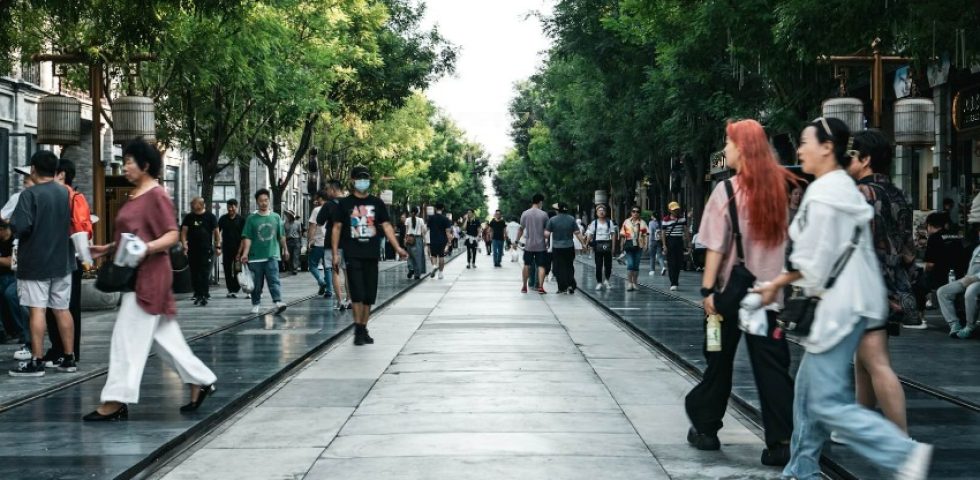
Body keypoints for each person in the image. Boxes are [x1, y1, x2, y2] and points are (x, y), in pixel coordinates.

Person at [755, 117, 932, 480]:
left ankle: (900, 452)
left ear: (826, 146)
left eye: (805, 142)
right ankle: (801, 468)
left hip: (841, 308)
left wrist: (778, 283)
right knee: (807, 393)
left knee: (823, 401)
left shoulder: (826, 193)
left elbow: (815, 261)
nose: (800, 149)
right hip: (854, 303)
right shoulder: (838, 187)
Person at [686, 119, 795, 466]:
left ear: (743, 149)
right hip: (767, 299)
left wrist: (707, 290)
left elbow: (715, 248)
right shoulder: (785, 189)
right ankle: (781, 441)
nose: (725, 150)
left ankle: (705, 428)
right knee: (772, 369)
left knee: (717, 360)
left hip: (726, 300)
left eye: (729, 144)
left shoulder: (726, 191)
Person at [83, 139, 216, 421]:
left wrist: (146, 248)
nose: (126, 165)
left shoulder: (156, 195)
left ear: (145, 165)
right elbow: (132, 235)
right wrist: (106, 248)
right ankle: (200, 380)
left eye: (130, 161)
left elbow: (169, 235)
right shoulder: (137, 194)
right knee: (165, 339)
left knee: (126, 339)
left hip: (149, 277)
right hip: (138, 274)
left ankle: (116, 400)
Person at [847, 128, 913, 432]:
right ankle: (861, 427)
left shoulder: (861, 193)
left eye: (852, 154)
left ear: (866, 159)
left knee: (876, 362)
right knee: (864, 361)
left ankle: (900, 440)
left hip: (866, 286)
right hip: (891, 282)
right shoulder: (897, 194)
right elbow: (907, 247)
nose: (846, 160)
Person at [8, 150, 76, 377]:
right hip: (62, 260)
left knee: (37, 309)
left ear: (33, 169)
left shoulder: (30, 195)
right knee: (61, 309)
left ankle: (36, 361)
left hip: (36, 262)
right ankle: (68, 358)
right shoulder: (65, 193)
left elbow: (21, 226)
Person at [329, 165, 407, 346]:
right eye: (359, 178)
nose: (363, 182)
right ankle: (358, 329)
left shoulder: (377, 203)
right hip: (352, 253)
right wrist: (335, 253)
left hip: (372, 254)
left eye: (366, 178)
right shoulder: (344, 204)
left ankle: (363, 327)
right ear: (352, 180)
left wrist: (398, 248)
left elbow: (387, 226)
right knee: (357, 293)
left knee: (369, 295)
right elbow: (337, 228)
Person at [42, 159, 91, 367]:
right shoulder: (54, 196)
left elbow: (82, 229)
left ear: (61, 174)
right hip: (52, 256)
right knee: (52, 306)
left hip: (70, 256)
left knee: (68, 307)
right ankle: (56, 349)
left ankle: (70, 351)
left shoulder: (74, 197)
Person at [240, 189, 289, 315]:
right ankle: (256, 303)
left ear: (269, 201)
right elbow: (247, 237)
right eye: (261, 201)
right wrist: (245, 253)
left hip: (272, 255)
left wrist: (285, 249)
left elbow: (281, 236)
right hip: (255, 257)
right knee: (257, 283)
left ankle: (278, 301)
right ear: (257, 202)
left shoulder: (276, 217)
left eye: (266, 200)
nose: (264, 203)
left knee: (274, 279)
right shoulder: (251, 219)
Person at [912, 212, 964, 329]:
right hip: (959, 275)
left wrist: (925, 271)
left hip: (940, 276)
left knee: (917, 286)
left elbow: (930, 264)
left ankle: (919, 318)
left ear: (930, 225)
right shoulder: (955, 236)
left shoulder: (934, 238)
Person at [316, 180, 351, 309]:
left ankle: (340, 301)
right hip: (348, 243)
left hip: (332, 244)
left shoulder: (329, 205)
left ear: (332, 189)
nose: (326, 192)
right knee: (348, 272)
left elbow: (319, 222)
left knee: (335, 272)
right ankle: (349, 299)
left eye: (327, 189)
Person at [181, 197, 219, 306]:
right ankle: (197, 293)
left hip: (206, 249)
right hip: (192, 249)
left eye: (193, 203)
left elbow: (216, 232)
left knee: (204, 272)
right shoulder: (189, 217)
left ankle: (205, 294)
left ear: (200, 205)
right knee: (194, 272)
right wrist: (184, 244)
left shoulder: (210, 217)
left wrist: (218, 245)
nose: (191, 205)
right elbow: (183, 232)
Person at [545, 202, 585, 294]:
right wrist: (583, 244)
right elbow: (577, 233)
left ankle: (562, 288)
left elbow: (546, 234)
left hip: (557, 247)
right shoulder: (571, 219)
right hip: (569, 247)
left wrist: (544, 244)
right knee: (569, 266)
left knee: (558, 268)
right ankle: (571, 285)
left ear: (558, 210)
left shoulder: (552, 220)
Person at [0, 222, 27, 350]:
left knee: (10, 294)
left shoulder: (15, 239)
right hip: (3, 277)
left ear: (3, 229)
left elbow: (13, 263)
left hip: (17, 276)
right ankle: (4, 332)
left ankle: (22, 331)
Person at [517, 194, 549, 294]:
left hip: (529, 245)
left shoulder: (525, 214)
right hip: (541, 245)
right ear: (540, 202)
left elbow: (521, 229)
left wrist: (516, 241)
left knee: (527, 265)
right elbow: (547, 231)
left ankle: (524, 286)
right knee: (541, 266)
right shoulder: (544, 214)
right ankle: (540, 287)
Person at [217, 199, 246, 298]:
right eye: (229, 206)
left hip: (239, 249)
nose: (231, 209)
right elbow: (217, 232)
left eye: (233, 207)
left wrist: (242, 250)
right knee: (227, 269)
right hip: (227, 248)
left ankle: (236, 288)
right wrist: (218, 245)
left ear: (236, 207)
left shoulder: (241, 220)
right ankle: (230, 289)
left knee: (238, 269)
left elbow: (244, 236)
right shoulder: (223, 219)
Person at [586, 204, 617, 290]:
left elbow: (613, 234)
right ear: (596, 213)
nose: (601, 212)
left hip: (607, 244)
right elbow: (590, 234)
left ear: (606, 212)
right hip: (597, 245)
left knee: (608, 265)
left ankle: (607, 280)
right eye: (599, 210)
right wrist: (586, 244)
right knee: (598, 265)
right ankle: (599, 282)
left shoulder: (609, 222)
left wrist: (613, 247)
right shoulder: (594, 223)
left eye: (603, 210)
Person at [308, 191, 332, 297]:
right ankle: (329, 291)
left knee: (312, 265)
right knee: (328, 267)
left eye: (318, 199)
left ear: (321, 199)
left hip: (318, 242)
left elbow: (312, 226)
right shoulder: (333, 208)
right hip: (330, 242)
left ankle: (321, 281)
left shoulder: (317, 210)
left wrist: (310, 240)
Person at [661, 202, 690, 291]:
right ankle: (673, 282)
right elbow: (663, 233)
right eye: (673, 209)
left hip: (679, 241)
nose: (676, 211)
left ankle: (676, 280)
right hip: (670, 241)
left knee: (678, 263)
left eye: (677, 209)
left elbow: (685, 231)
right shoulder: (665, 220)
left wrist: (688, 243)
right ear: (670, 210)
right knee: (671, 263)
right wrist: (664, 245)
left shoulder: (682, 219)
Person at [619, 206, 649, 291]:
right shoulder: (626, 222)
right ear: (631, 212)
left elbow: (645, 235)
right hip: (629, 245)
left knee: (636, 265)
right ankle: (629, 283)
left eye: (637, 211)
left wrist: (646, 245)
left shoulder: (642, 223)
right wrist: (621, 245)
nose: (635, 213)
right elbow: (622, 234)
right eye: (633, 211)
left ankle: (635, 283)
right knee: (630, 264)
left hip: (639, 245)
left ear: (639, 213)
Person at [426, 204, 452, 279]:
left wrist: (425, 239)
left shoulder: (431, 218)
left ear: (435, 208)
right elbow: (447, 232)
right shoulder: (446, 219)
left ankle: (434, 266)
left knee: (433, 255)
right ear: (442, 208)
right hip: (442, 240)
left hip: (433, 239)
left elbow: (427, 229)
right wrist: (449, 241)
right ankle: (440, 273)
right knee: (441, 256)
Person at [404, 207, 427, 280]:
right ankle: (417, 274)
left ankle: (411, 268)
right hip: (418, 239)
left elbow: (406, 231)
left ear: (411, 212)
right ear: (417, 213)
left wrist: (405, 239)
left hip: (409, 239)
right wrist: (425, 240)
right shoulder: (420, 220)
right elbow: (423, 231)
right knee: (418, 257)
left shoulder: (407, 219)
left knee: (410, 255)